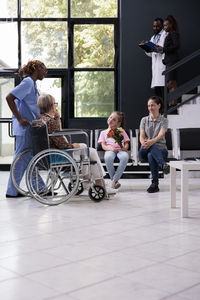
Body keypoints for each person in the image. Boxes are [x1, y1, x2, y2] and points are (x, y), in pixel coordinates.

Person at [37, 94, 113, 192]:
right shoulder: (50, 121)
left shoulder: (41, 119)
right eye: (55, 104)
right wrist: (72, 145)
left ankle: (89, 180)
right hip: (59, 154)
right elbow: (60, 143)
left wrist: (58, 118)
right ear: (52, 106)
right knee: (90, 151)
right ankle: (99, 183)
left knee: (86, 151)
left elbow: (57, 134)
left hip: (48, 154)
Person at [6, 60, 47, 198]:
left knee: (29, 157)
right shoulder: (28, 82)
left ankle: (39, 188)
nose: (45, 73)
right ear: (37, 68)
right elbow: (9, 97)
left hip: (30, 127)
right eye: (44, 69)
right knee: (21, 158)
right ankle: (12, 191)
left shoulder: (32, 84)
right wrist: (19, 118)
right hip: (23, 127)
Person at [139, 96, 170, 193]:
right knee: (149, 151)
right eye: (149, 106)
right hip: (144, 148)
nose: (150, 108)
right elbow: (141, 136)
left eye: (152, 105)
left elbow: (160, 135)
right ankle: (163, 165)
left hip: (161, 149)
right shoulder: (144, 120)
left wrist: (151, 142)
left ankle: (155, 184)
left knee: (151, 155)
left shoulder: (164, 120)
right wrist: (144, 143)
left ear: (159, 106)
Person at [98, 111, 130, 189]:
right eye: (110, 117)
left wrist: (125, 148)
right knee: (108, 157)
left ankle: (113, 180)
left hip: (121, 150)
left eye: (114, 119)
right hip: (110, 150)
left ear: (118, 123)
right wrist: (111, 149)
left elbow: (126, 143)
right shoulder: (103, 132)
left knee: (125, 157)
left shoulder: (121, 131)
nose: (111, 119)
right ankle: (115, 181)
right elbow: (103, 146)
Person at [156, 15, 180, 106]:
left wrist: (164, 49)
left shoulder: (174, 33)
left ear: (171, 25)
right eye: (164, 25)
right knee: (170, 83)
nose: (164, 27)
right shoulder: (168, 34)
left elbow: (176, 46)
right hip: (168, 61)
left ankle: (173, 103)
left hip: (172, 60)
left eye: (166, 25)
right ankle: (172, 103)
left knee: (171, 82)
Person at [143, 18, 167, 99]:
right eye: (154, 26)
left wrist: (157, 49)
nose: (155, 28)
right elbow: (151, 54)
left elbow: (166, 49)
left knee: (164, 93)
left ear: (162, 26)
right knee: (158, 96)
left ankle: (165, 111)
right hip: (156, 70)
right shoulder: (153, 37)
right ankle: (160, 111)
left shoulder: (165, 35)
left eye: (158, 26)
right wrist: (145, 48)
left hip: (163, 66)